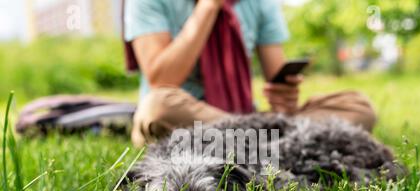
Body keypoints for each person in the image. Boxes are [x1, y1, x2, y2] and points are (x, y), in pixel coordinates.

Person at [124, 0, 377, 148]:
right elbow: (161, 79)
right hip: (183, 120)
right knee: (156, 107)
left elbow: (277, 78)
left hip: (243, 119)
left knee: (358, 107)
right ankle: (278, 146)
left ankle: (254, 144)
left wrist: (285, 99)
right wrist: (209, 6)